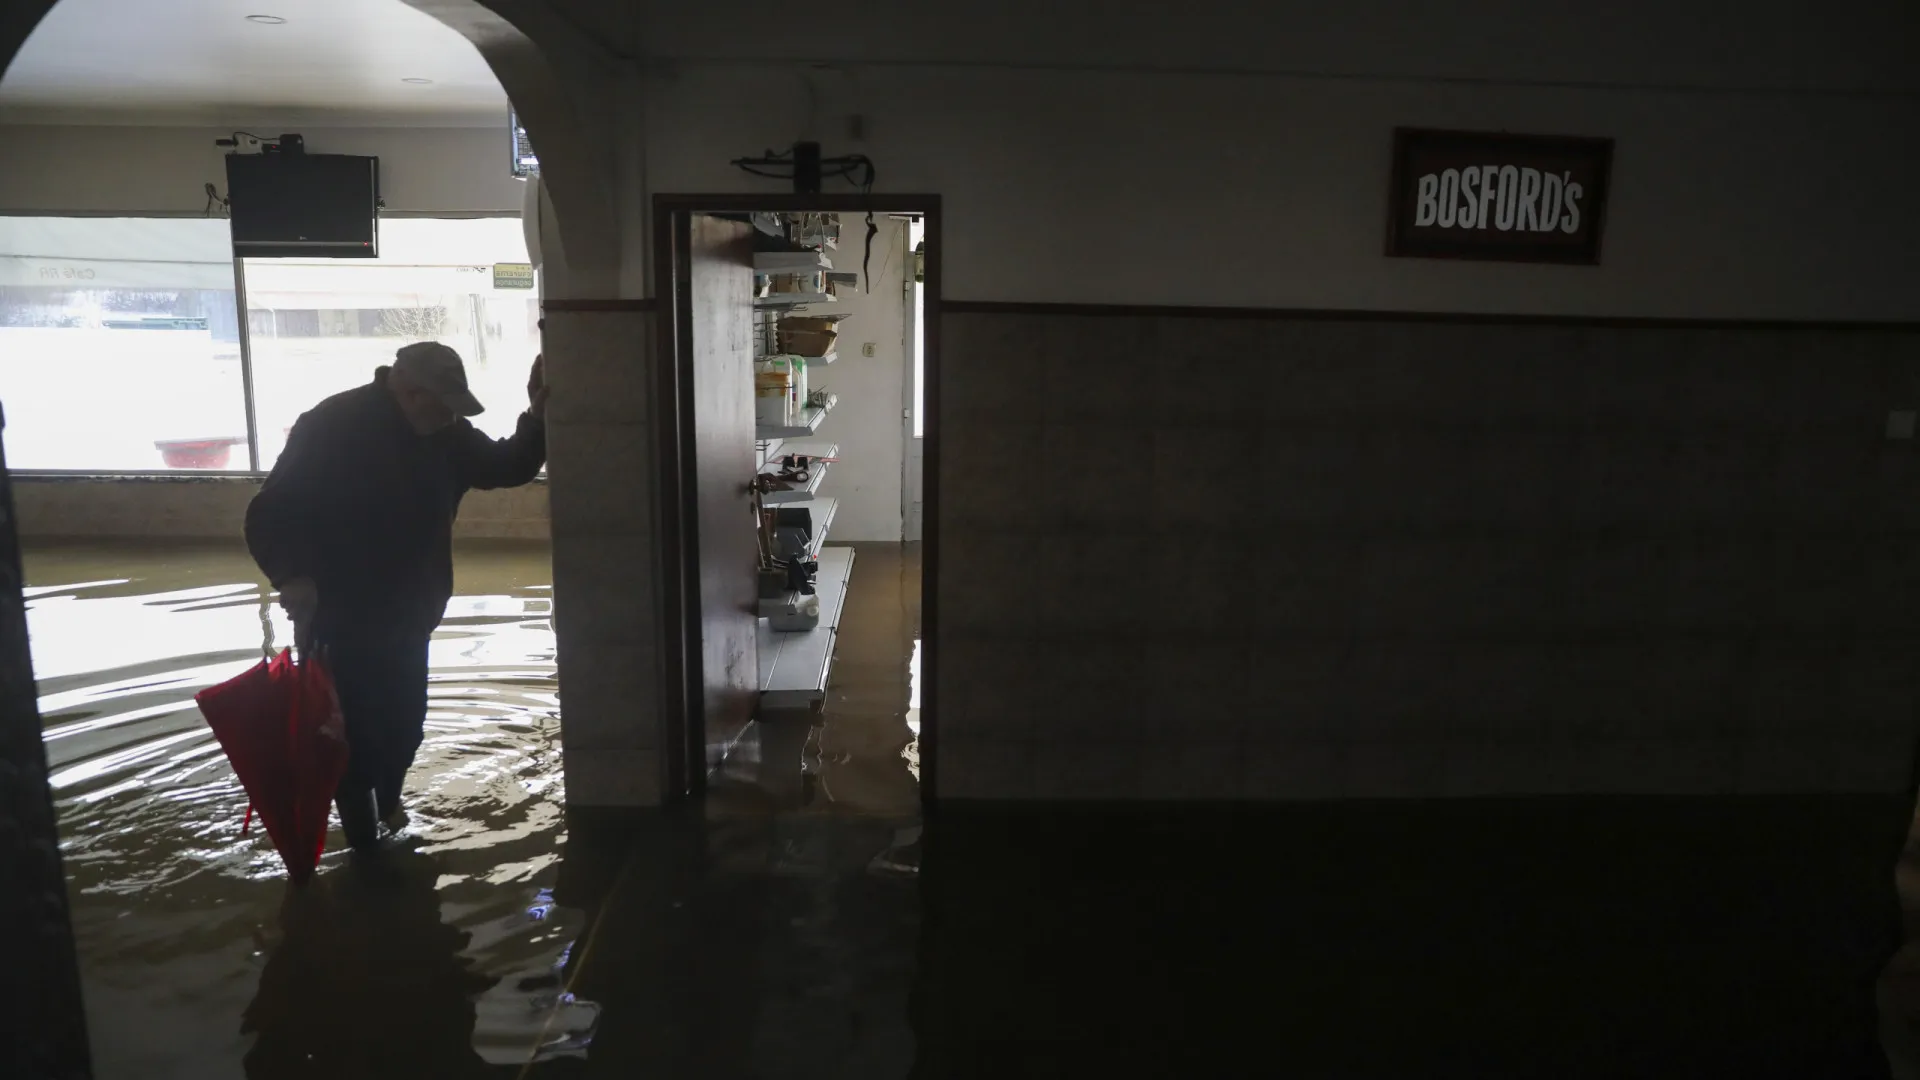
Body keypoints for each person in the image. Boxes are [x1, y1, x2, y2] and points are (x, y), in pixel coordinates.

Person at [246, 340, 548, 850]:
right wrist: (293, 576)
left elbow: (505, 466)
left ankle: (389, 806)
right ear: (408, 391)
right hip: (340, 615)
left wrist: (537, 417)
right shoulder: (331, 425)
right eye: (443, 405)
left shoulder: (443, 432)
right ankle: (367, 852)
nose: (452, 417)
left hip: (410, 613)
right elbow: (269, 512)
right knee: (351, 738)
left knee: (405, 727)